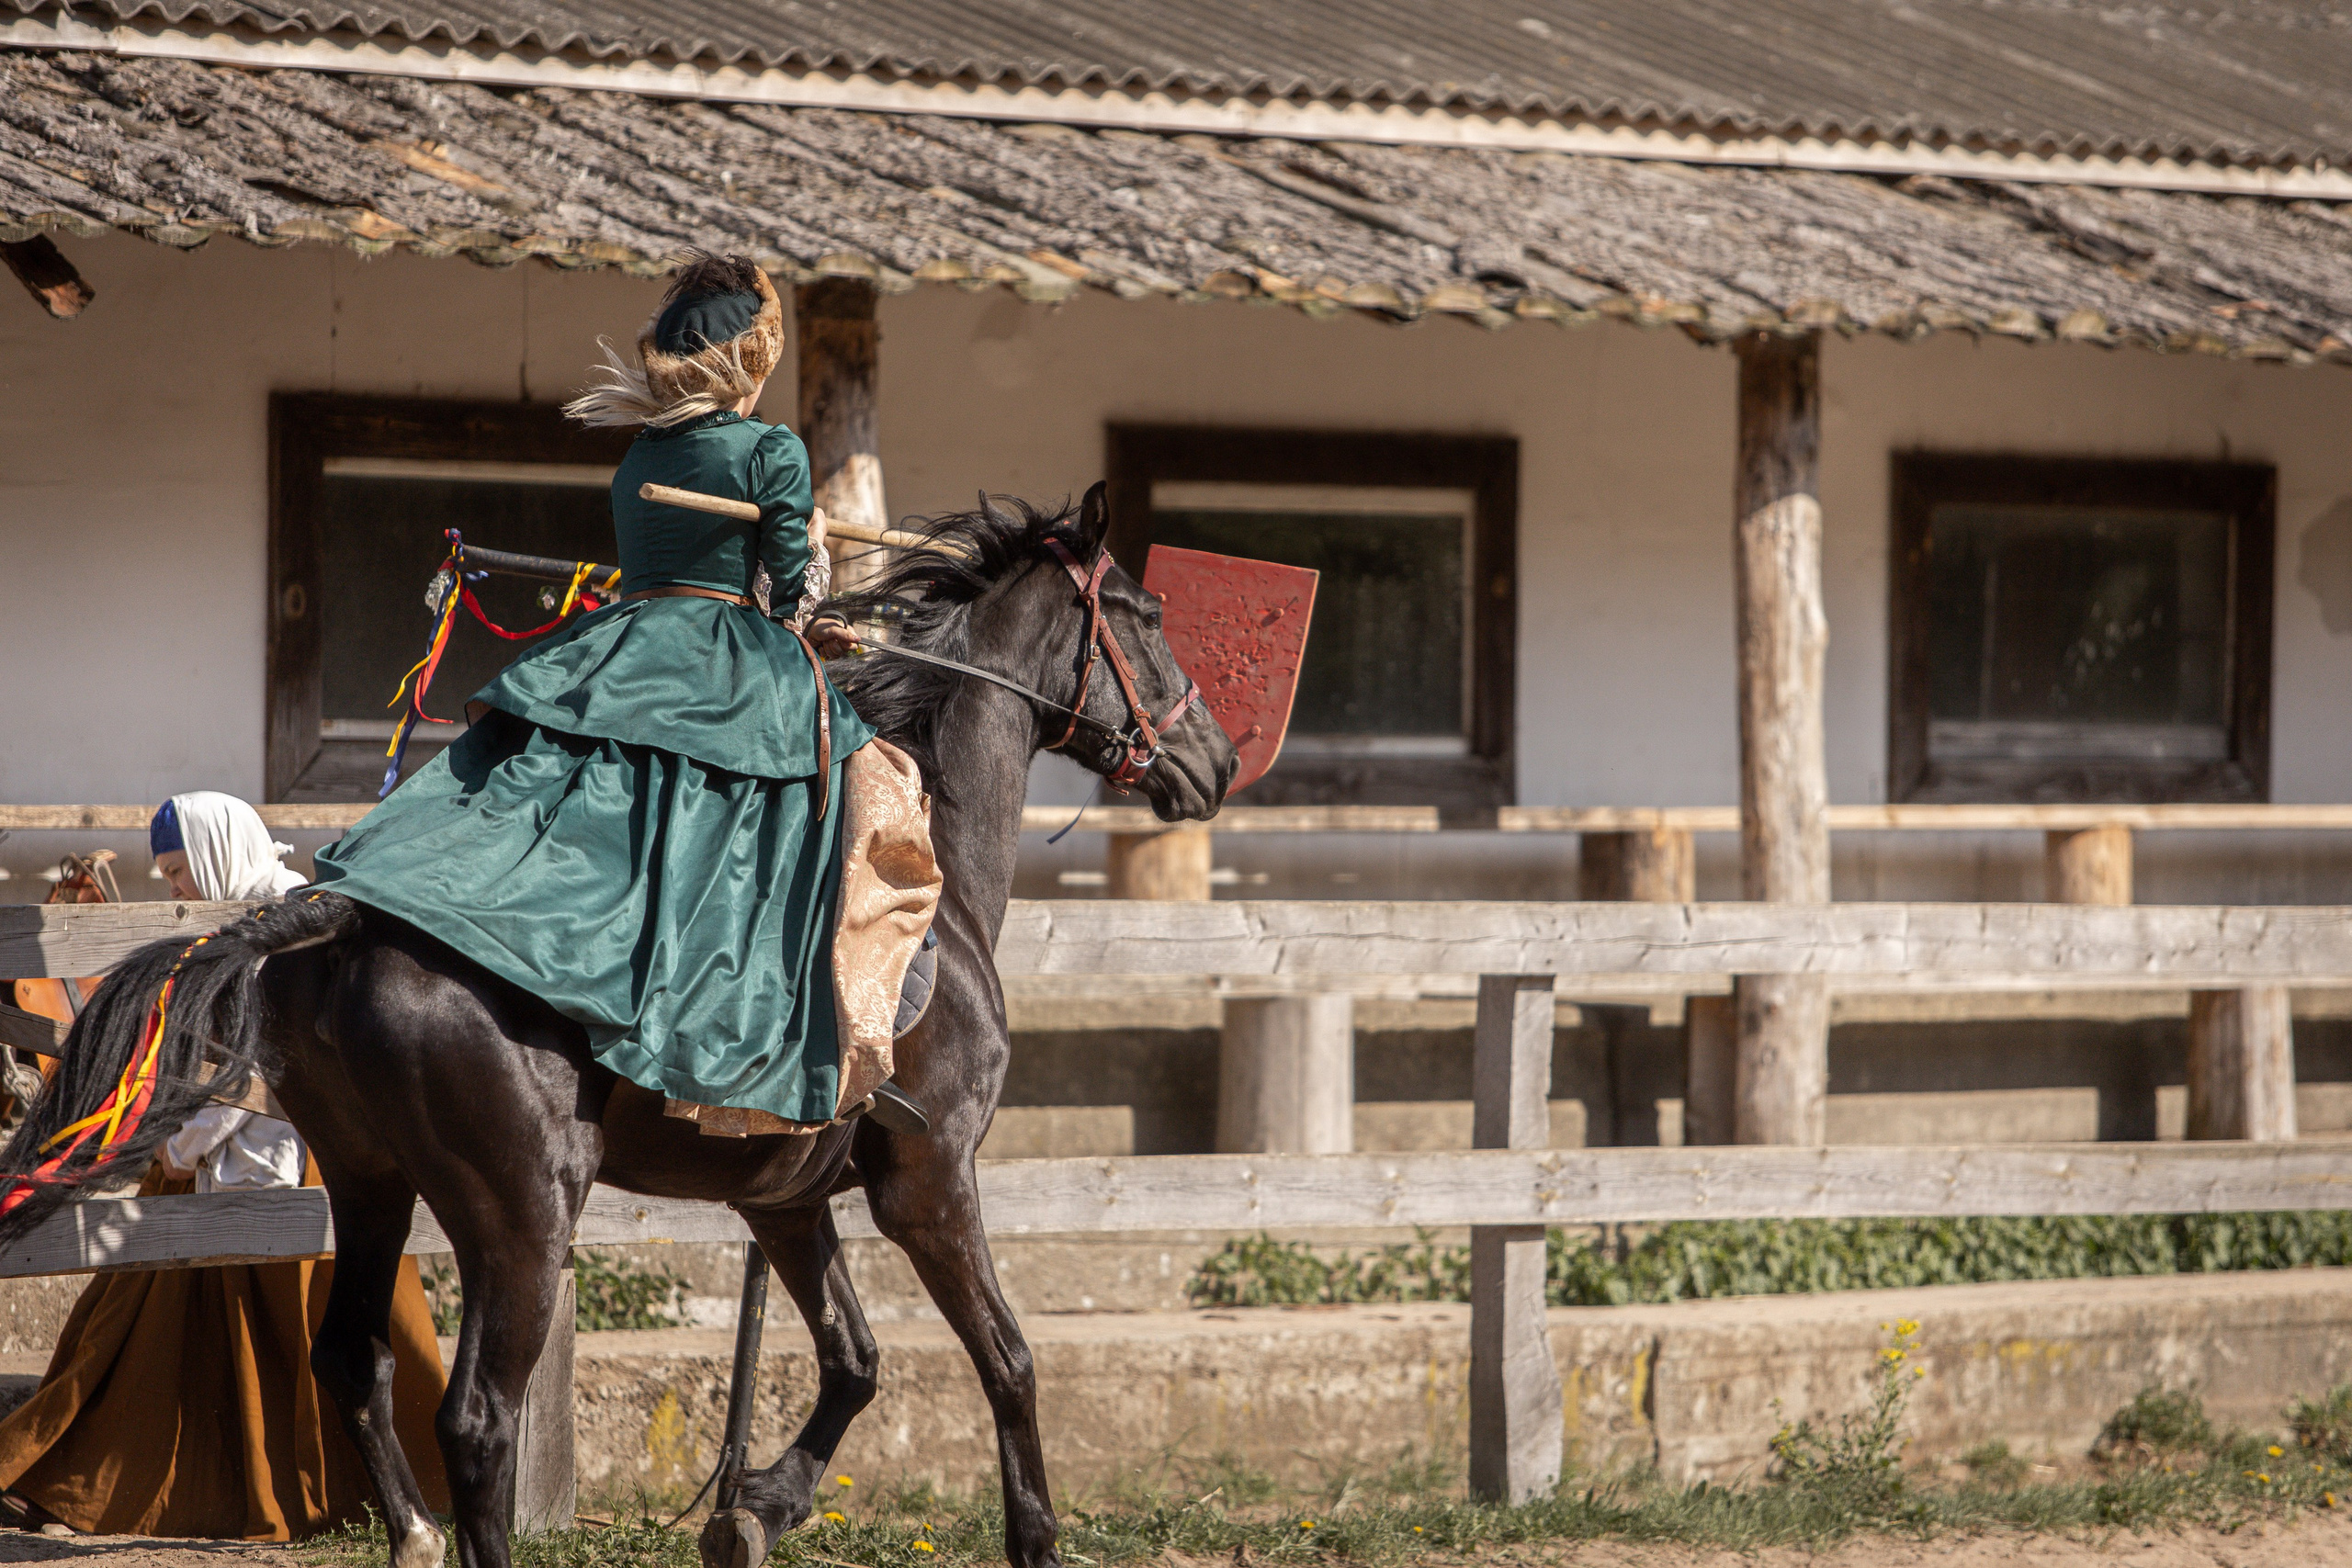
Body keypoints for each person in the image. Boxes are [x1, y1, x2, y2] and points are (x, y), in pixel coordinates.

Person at [310, 252, 887, 1128]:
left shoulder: (642, 453)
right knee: (866, 786)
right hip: (725, 653)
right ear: (754, 359)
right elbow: (787, 589)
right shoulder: (772, 449)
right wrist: (807, 547)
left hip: (626, 643)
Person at [0, 792, 448, 1540]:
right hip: (219, 1143)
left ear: (212, 853)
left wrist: (181, 1146)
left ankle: (355, 1493)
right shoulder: (230, 922)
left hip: (294, 1159)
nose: (173, 889)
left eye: (178, 872)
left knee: (296, 1331)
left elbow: (261, 1065)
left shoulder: (286, 928)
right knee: (138, 1324)